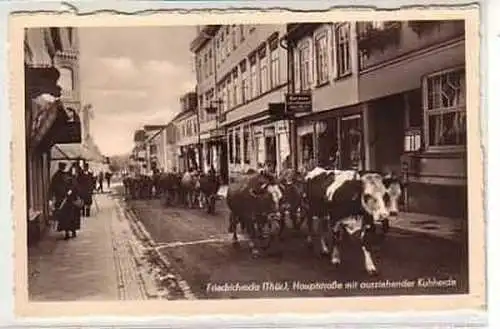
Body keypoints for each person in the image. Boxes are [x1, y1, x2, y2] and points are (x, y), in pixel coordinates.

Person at [50, 162, 83, 239]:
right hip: (64, 200)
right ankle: (68, 232)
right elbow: (55, 187)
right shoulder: (59, 176)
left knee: (71, 217)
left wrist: (72, 191)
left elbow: (75, 186)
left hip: (70, 199)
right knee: (67, 217)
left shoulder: (67, 176)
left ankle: (71, 231)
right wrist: (65, 193)